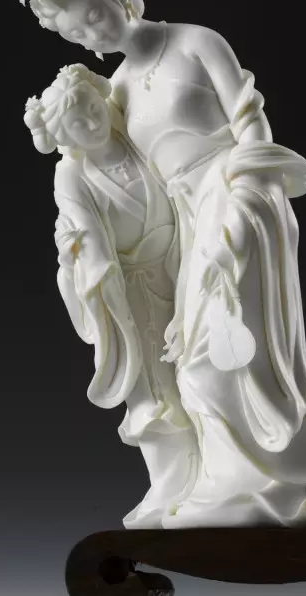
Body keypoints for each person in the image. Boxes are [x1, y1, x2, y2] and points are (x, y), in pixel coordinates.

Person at [13, 0, 306, 530]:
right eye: (79, 33)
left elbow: (251, 122)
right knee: (193, 363)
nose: (95, 35)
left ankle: (275, 484)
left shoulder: (196, 43)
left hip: (242, 196)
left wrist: (242, 201)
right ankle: (243, 482)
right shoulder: (118, 90)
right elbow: (120, 170)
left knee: (231, 352)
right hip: (191, 222)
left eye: (95, 16)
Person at [23, 63, 198, 529]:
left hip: (180, 268)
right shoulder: (72, 176)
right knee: (153, 390)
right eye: (78, 124)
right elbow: (90, 241)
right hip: (130, 293)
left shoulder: (137, 138)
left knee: (198, 376)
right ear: (66, 138)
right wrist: (81, 263)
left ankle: (214, 479)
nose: (92, 123)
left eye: (92, 109)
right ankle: (171, 487)